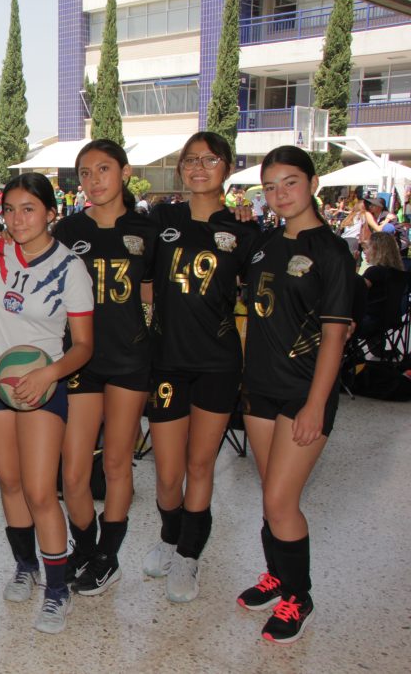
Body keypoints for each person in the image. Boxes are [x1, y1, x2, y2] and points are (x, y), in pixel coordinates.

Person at [238, 145, 355, 643]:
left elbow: (335, 336)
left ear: (312, 183)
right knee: (271, 495)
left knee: (281, 500)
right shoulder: (264, 245)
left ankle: (298, 596)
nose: (280, 194)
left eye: (290, 182)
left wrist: (315, 406)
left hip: (303, 394)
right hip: (260, 390)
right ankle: (277, 575)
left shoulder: (331, 252)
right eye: (270, 186)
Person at [143, 132, 260, 603]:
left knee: (200, 464)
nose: (198, 167)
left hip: (217, 362)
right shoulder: (161, 218)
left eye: (209, 160)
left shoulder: (245, 229)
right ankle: (169, 536)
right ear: (179, 170)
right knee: (167, 472)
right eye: (190, 160)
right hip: (167, 361)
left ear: (227, 168)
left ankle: (189, 555)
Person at [0, 172, 93, 634]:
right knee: (9, 482)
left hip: (42, 384)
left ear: (51, 213)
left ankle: (57, 590)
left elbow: (84, 346)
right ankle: (25, 566)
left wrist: (49, 373)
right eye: (10, 210)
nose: (18, 219)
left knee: (41, 491)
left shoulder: (70, 268)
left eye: (29, 209)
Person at [52, 140, 158, 599]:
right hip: (80, 359)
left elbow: (152, 293)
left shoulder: (148, 229)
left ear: (125, 172)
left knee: (116, 463)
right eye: (85, 172)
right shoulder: (67, 229)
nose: (93, 180)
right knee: (73, 472)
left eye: (103, 169)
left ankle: (108, 557)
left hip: (129, 359)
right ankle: (86, 547)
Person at [355, 231, 407, 356]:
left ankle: (352, 353)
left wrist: (352, 264)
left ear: (377, 250)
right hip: (390, 320)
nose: (364, 252)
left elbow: (355, 291)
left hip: (369, 322)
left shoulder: (374, 272)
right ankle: (377, 348)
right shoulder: (399, 273)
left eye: (367, 248)